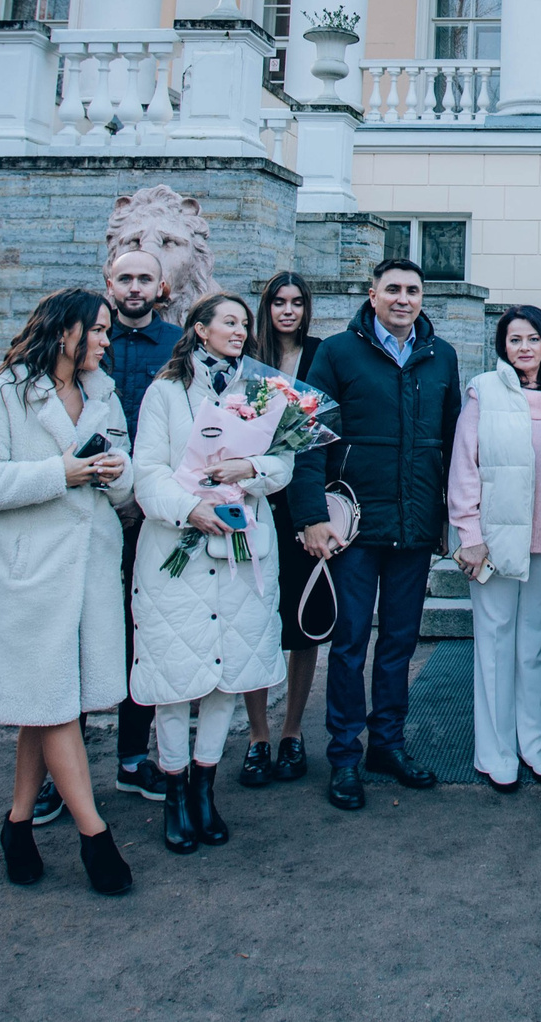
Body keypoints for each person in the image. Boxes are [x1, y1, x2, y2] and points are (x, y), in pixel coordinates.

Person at [0, 289, 137, 895]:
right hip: (24, 579)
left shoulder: (103, 393)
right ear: (66, 331)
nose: (107, 341)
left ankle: (18, 824)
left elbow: (125, 477)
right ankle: (94, 835)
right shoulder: (1, 394)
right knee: (55, 705)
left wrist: (115, 473)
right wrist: (61, 472)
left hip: (87, 575)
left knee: (47, 703)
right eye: (99, 330)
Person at [129, 293, 292, 853]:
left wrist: (252, 467)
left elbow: (284, 462)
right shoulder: (166, 392)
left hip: (242, 548)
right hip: (180, 551)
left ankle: (205, 788)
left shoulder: (263, 390)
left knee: (229, 675)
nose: (241, 331)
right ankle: (174, 793)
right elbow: (146, 471)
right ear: (199, 330)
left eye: (246, 324)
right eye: (229, 322)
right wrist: (189, 508)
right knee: (178, 678)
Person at [298, 258, 461, 810]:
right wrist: (310, 516)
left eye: (413, 290)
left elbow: (453, 444)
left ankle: (387, 744)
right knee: (347, 646)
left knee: (398, 643)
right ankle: (345, 755)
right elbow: (309, 436)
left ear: (422, 298)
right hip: (353, 528)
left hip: (414, 525)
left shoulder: (442, 357)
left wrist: (444, 518)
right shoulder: (337, 353)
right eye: (392, 289)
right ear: (372, 295)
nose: (403, 298)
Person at [449, 305, 541, 791]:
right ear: (501, 348)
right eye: (513, 340)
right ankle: (496, 751)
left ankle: (535, 742)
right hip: (495, 542)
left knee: (536, 647)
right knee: (495, 644)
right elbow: (465, 466)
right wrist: (469, 535)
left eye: (531, 338)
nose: (523, 348)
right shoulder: (484, 390)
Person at [98, 247, 180, 807]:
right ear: (109, 282)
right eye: (124, 278)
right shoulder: (85, 338)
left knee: (141, 635)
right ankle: (61, 767)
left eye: (143, 279)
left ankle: (132, 757)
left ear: (161, 285)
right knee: (79, 632)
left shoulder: (177, 345)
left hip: (153, 514)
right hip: (90, 510)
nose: (134, 287)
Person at [236, 271, 324, 787]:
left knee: (303, 617)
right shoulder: (247, 356)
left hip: (303, 502)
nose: (287, 311)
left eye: (296, 303)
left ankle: (292, 730)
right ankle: (257, 734)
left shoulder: (321, 354)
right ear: (265, 307)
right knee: (255, 616)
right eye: (278, 302)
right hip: (252, 498)